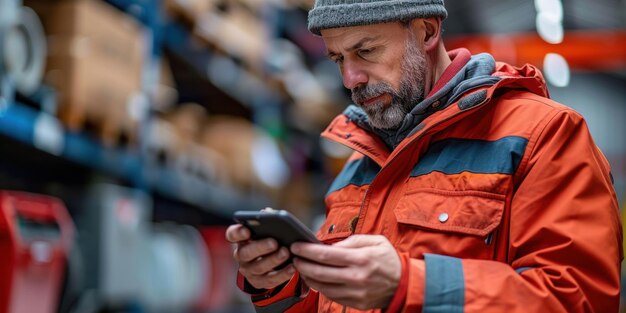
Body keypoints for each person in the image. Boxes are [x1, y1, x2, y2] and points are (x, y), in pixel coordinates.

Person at [225, 0, 623, 312]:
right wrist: (280, 282)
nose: (350, 79)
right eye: (338, 59)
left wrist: (408, 284)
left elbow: (577, 299)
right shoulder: (358, 163)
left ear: (427, 32)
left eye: (365, 51)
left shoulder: (545, 136)